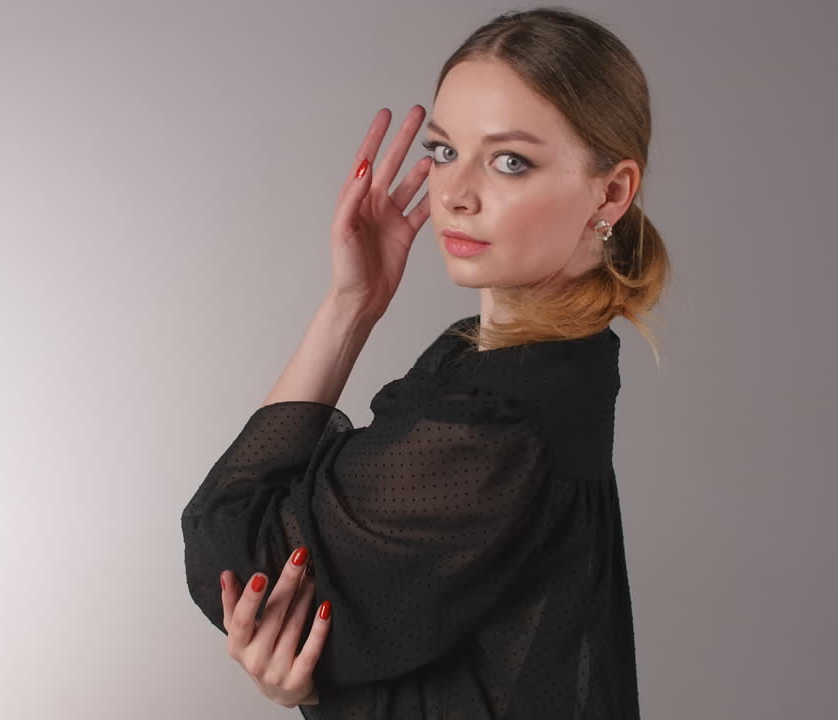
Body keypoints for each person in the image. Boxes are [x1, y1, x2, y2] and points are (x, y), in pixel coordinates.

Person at [181, 6, 669, 718]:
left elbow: (226, 541)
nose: (456, 194)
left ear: (612, 191)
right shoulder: (524, 361)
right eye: (444, 150)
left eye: (510, 161)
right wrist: (359, 295)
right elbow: (446, 655)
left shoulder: (500, 418)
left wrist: (347, 310)